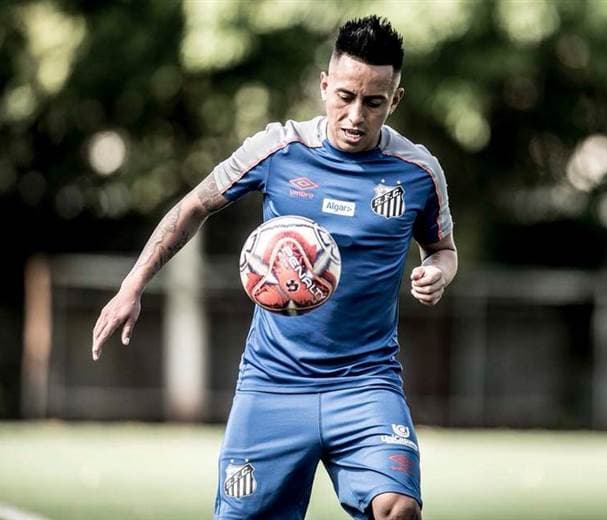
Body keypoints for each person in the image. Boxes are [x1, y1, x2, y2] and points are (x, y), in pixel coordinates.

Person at [92, 15, 457, 520]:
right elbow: (195, 205)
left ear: (394, 101)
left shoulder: (417, 172)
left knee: (398, 508)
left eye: (373, 102)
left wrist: (438, 271)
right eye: (345, 96)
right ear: (324, 86)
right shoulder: (279, 150)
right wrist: (132, 285)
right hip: (274, 382)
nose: (355, 115)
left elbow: (443, 248)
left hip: (367, 382)